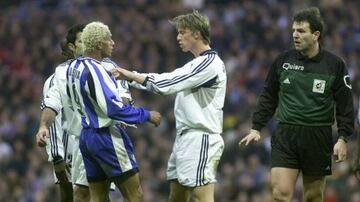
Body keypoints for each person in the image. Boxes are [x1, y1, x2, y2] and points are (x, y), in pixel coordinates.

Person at [239, 7, 354, 201]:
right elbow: (268, 96)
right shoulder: (283, 61)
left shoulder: (335, 65)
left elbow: (345, 105)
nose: (295, 35)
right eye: (293, 30)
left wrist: (343, 138)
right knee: (280, 194)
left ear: (316, 34)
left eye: (301, 31)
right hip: (286, 135)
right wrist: (256, 127)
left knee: (313, 197)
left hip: (317, 136)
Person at [112, 10, 226, 202]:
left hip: (201, 138)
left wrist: (131, 75)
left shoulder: (209, 63)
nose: (178, 37)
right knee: (176, 195)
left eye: (183, 32)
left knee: (201, 197)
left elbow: (167, 83)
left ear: (197, 33)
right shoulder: (197, 63)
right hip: (184, 137)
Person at [36, 23, 136, 202]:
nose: (87, 44)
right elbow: (52, 107)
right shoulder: (60, 75)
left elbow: (124, 98)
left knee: (108, 194)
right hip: (76, 144)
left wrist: (122, 113)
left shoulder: (111, 68)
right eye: (83, 41)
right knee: (83, 196)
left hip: (107, 138)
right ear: (72, 47)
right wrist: (56, 155)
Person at [66, 21, 160, 202]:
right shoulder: (96, 70)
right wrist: (147, 115)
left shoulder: (74, 67)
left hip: (87, 136)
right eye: (109, 39)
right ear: (100, 44)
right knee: (135, 195)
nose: (113, 43)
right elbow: (113, 109)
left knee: (98, 197)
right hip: (106, 137)